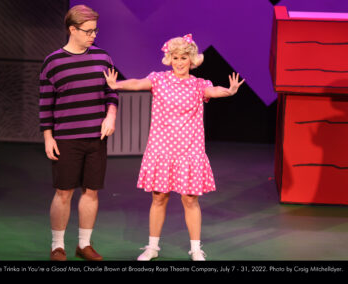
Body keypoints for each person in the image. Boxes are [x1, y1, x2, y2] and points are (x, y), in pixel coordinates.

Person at [103, 34, 244, 261]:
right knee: (159, 198)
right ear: (170, 58)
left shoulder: (199, 85)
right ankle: (152, 247)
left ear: (192, 60)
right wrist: (116, 84)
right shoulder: (159, 80)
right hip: (162, 149)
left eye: (184, 58)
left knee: (190, 200)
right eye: (175, 57)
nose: (179, 62)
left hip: (190, 151)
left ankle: (196, 249)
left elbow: (214, 90)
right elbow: (138, 83)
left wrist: (229, 91)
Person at [39, 5, 118, 261]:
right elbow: (45, 103)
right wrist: (48, 136)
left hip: (96, 137)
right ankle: (57, 246)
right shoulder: (53, 62)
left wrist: (111, 114)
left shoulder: (103, 58)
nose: (93, 35)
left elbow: (111, 92)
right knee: (64, 191)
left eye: (95, 30)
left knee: (91, 190)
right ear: (72, 29)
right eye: (87, 31)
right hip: (66, 137)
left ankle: (83, 244)